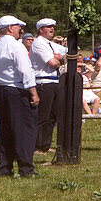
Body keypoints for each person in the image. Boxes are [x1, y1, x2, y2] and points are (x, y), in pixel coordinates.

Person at [0, 16, 39, 177]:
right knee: (24, 129)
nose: (20, 30)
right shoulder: (16, 47)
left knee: (6, 129)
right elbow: (25, 70)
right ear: (10, 28)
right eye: (18, 27)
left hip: (0, 90)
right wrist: (33, 92)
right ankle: (25, 168)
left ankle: (5, 166)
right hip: (16, 89)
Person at [30, 18, 64, 154]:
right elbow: (52, 63)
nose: (51, 29)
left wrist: (60, 58)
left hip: (54, 81)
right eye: (48, 27)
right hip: (43, 82)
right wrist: (60, 59)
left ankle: (45, 144)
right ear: (40, 29)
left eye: (52, 27)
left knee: (52, 115)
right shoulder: (38, 43)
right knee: (43, 116)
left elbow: (67, 53)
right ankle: (37, 145)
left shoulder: (50, 44)